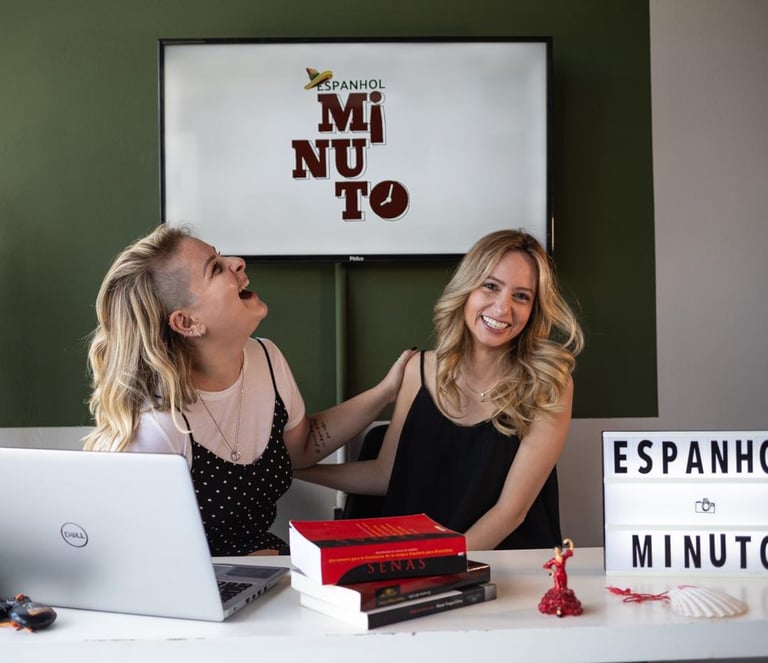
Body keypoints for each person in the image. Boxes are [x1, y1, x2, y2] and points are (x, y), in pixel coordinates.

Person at [83, 224, 414, 555]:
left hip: (267, 569)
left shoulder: (266, 357)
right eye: (215, 267)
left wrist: (387, 390)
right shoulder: (157, 427)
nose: (237, 263)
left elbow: (301, 449)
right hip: (199, 590)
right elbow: (137, 557)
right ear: (187, 323)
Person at [295, 229, 584, 551]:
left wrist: (442, 564)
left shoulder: (549, 383)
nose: (503, 308)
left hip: (504, 565)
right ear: (467, 290)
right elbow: (386, 475)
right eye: (490, 286)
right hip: (414, 557)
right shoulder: (417, 370)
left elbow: (510, 512)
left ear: (534, 310)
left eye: (521, 296)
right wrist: (299, 470)